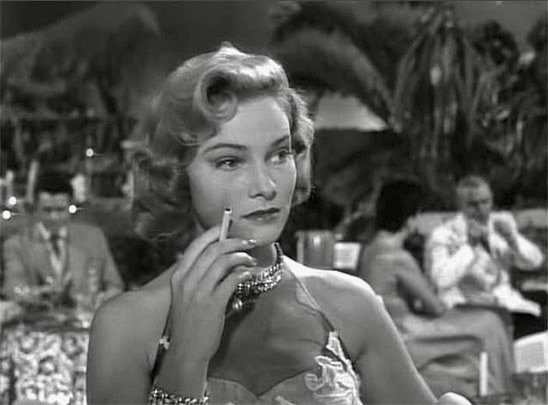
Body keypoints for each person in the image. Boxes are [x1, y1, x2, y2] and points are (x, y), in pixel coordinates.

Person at [86, 44, 470, 405]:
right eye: (230, 161)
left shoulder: (351, 305)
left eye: (279, 154)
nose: (266, 186)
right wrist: (186, 356)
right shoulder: (126, 327)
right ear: (178, 175)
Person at [357, 179, 514, 396]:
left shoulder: (370, 249)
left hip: (390, 328)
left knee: (487, 319)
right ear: (411, 217)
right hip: (405, 333)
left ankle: (495, 389)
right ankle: (502, 393)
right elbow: (435, 307)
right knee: (491, 322)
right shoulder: (398, 257)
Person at [424, 175, 545, 338]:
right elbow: (441, 280)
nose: (482, 209)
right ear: (460, 205)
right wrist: (470, 247)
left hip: (507, 304)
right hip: (471, 312)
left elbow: (535, 262)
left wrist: (513, 240)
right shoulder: (444, 235)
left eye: (486, 202)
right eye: (473, 205)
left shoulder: (500, 225)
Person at [2, 171, 123, 303]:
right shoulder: (17, 245)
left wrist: (104, 299)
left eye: (60, 210)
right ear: (36, 208)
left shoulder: (94, 237)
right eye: (47, 210)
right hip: (39, 314)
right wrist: (43, 293)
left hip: (87, 313)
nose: (54, 217)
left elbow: (115, 285)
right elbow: (13, 289)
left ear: (70, 207)